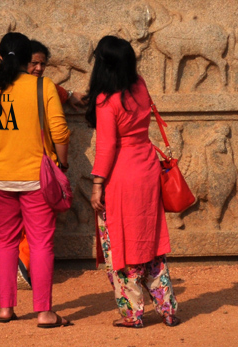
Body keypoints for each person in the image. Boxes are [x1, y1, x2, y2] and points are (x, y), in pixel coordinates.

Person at [0, 32, 72, 328]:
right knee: (41, 243)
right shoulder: (43, 86)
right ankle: (44, 312)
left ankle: (5, 309)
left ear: (2, 58)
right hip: (36, 178)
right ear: (29, 59)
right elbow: (60, 132)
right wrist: (61, 163)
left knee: (5, 242)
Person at [87, 35, 180, 328]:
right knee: (151, 243)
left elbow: (106, 148)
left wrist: (97, 185)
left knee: (121, 246)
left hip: (122, 176)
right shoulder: (140, 85)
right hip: (147, 167)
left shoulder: (106, 101)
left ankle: (133, 313)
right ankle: (167, 308)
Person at [28, 40, 87, 111]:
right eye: (34, 63)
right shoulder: (43, 86)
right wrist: (69, 95)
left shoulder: (44, 86)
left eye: (43, 64)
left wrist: (69, 95)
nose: (39, 68)